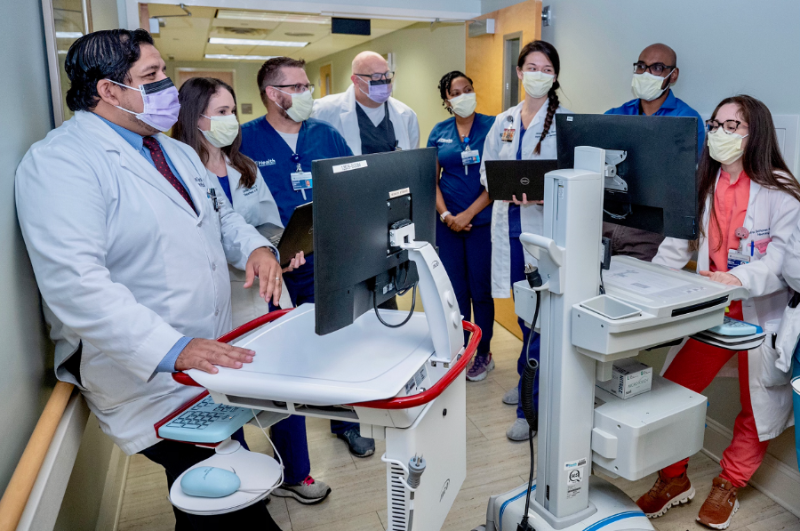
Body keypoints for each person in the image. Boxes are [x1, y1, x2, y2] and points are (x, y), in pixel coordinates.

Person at [15, 29, 287, 529]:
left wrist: (254, 247)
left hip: (205, 357)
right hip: (147, 373)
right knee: (226, 502)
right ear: (109, 90)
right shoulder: (62, 162)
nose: (168, 84)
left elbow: (221, 215)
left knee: (215, 496)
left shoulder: (172, 150)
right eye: (152, 75)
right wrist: (172, 348)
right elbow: (76, 283)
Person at [641, 95, 800, 529]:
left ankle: (729, 482)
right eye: (716, 124)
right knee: (673, 391)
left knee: (757, 404)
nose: (719, 133)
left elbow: (780, 262)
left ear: (755, 134)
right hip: (712, 311)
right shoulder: (704, 183)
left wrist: (737, 277)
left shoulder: (783, 193)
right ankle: (673, 478)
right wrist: (648, 284)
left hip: (759, 313)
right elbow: (678, 244)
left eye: (733, 126)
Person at [174, 77, 332, 506]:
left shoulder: (244, 166)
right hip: (222, 297)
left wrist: (281, 250)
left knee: (284, 383)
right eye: (222, 113)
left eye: (233, 111)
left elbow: (266, 224)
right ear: (195, 117)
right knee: (228, 391)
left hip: (266, 290)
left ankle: (295, 473)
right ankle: (242, 479)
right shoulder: (178, 172)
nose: (232, 120)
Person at [239, 57, 377, 459]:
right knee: (284, 357)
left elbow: (355, 183)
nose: (306, 94)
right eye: (296, 87)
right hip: (275, 269)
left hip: (326, 262)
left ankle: (345, 422)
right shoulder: (246, 141)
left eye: (307, 86)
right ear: (272, 93)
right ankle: (291, 457)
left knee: (337, 344)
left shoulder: (326, 135)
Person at [479, 40, 570, 442]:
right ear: (519, 72)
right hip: (509, 228)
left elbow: (573, 177)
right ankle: (526, 378)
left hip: (543, 233)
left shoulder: (564, 123)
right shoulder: (504, 120)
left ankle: (529, 409)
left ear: (555, 76)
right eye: (531, 67)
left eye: (546, 69)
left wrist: (542, 194)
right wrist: (504, 185)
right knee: (523, 315)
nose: (538, 74)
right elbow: (487, 170)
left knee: (539, 319)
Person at [603, 43, 705, 261]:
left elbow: (679, 181)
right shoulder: (614, 116)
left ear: (673, 75)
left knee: (635, 281)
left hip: (652, 229)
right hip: (607, 220)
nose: (646, 73)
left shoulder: (687, 120)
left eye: (657, 68)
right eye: (641, 66)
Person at [429, 71, 495, 381]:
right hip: (447, 226)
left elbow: (498, 179)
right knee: (454, 293)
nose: (463, 96)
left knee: (481, 291)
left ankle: (483, 353)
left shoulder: (493, 126)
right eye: (456, 93)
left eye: (467, 89)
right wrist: (446, 216)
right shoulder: (439, 132)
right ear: (446, 100)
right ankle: (460, 352)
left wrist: (467, 214)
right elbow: (431, 180)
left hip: (482, 223)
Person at [312, 50, 420, 156]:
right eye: (376, 76)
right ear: (356, 80)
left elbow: (412, 159)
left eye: (387, 75)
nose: (384, 80)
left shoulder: (407, 115)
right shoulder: (324, 111)